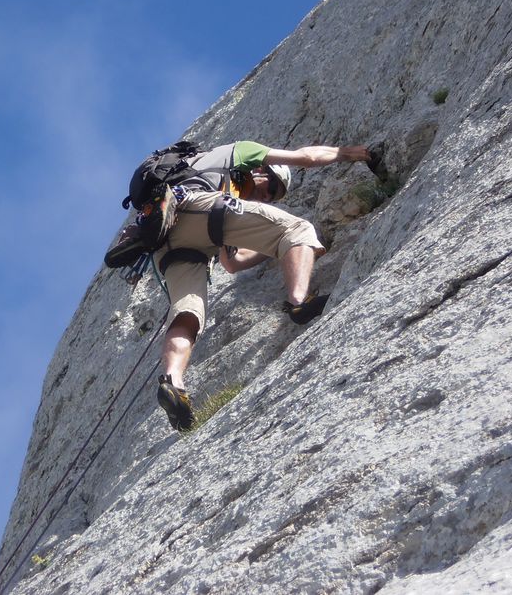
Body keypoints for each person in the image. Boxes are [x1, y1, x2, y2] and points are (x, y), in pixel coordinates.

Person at [152, 139, 387, 430]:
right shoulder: (241, 152)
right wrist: (351, 153)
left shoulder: (208, 174)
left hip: (167, 238)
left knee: (188, 314)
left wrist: (274, 247)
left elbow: (231, 264)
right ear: (263, 171)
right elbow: (306, 157)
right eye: (272, 190)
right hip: (198, 207)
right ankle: (299, 302)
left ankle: (173, 383)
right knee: (298, 227)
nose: (266, 199)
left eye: (272, 199)